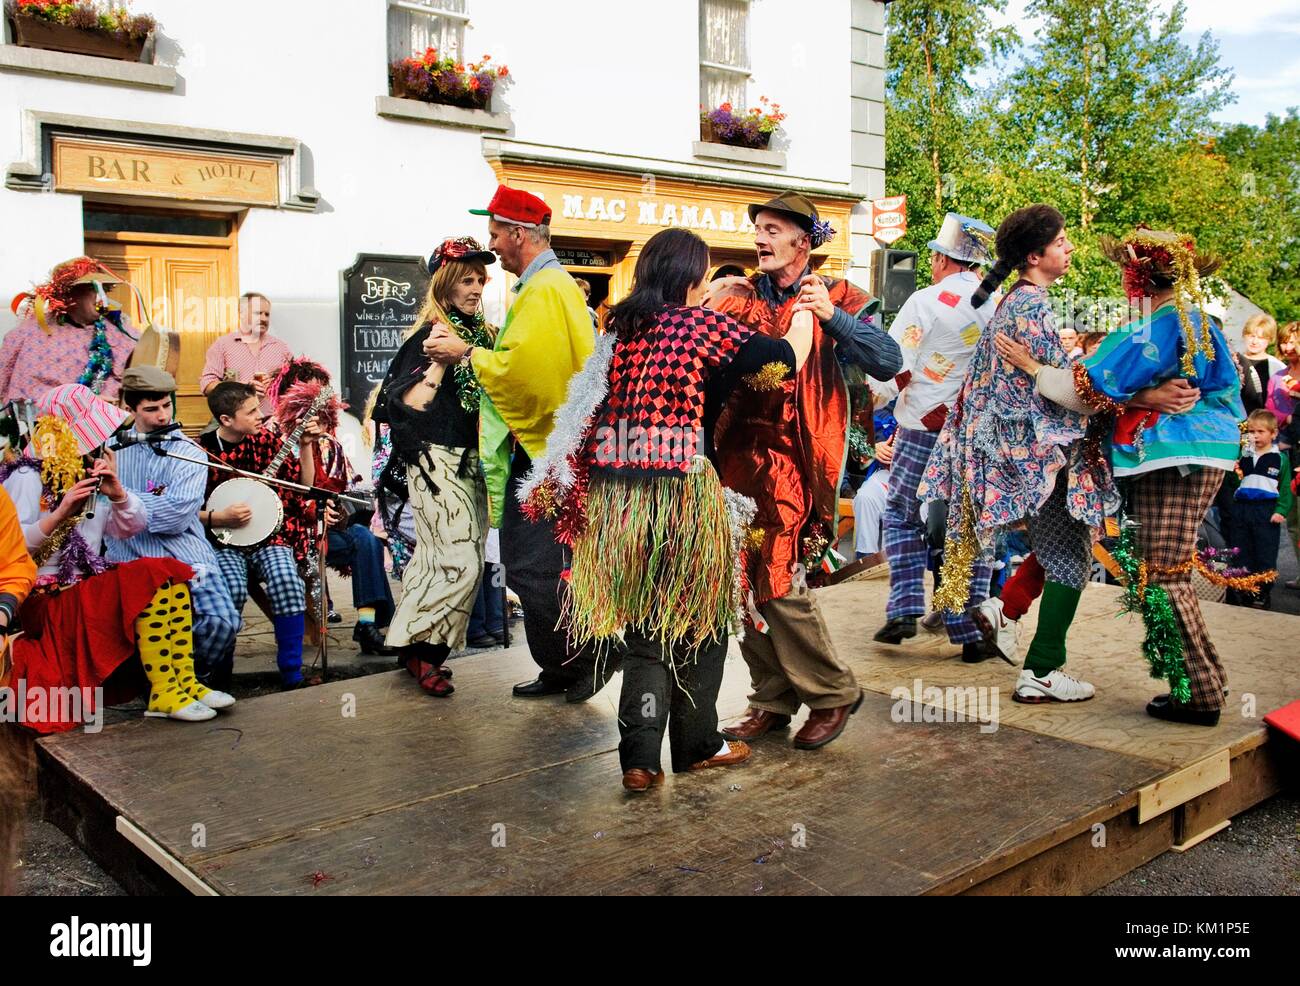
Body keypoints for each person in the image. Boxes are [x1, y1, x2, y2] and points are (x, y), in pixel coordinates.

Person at [520, 227, 818, 790]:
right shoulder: (703, 327)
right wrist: (805, 311)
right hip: (680, 494)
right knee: (698, 622)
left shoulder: (624, 328)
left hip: (617, 501)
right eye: (703, 272)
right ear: (690, 277)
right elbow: (782, 361)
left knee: (643, 628)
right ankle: (698, 745)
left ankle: (639, 760)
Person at [996, 226, 1244, 725]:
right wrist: (1142, 396)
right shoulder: (1194, 321)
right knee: (1165, 570)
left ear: (1138, 277)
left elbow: (1080, 391)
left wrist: (1031, 366)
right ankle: (1203, 682)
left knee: (1164, 574)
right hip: (1203, 454)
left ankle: (1197, 695)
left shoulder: (1153, 329)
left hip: (1172, 459)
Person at [705, 190, 902, 750]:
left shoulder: (840, 294)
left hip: (797, 459)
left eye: (772, 229)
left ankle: (833, 691)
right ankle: (771, 698)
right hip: (734, 457)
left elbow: (889, 361)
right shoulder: (737, 294)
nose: (760, 238)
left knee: (776, 574)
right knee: (737, 580)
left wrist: (833, 318)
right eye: (758, 229)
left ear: (802, 238)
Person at [921, 204, 1113, 704]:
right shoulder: (1033, 310)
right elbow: (1074, 393)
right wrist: (1128, 393)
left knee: (1059, 551)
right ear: (1034, 255)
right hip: (1045, 460)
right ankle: (1043, 670)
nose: (1069, 248)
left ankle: (1002, 612)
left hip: (1027, 459)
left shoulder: (1014, 303)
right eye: (1062, 242)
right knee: (1070, 560)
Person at [424, 188, 605, 702]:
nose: (494, 244)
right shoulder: (545, 285)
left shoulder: (546, 288)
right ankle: (561, 666)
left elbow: (531, 375)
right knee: (538, 568)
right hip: (550, 453)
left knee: (535, 568)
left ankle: (583, 662)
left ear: (519, 233)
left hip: (546, 457)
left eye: (497, 234)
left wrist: (468, 352)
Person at [3, 384, 233, 729]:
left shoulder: (88, 473)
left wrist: (119, 494)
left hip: (83, 588)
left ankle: (181, 682)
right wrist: (61, 511)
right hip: (43, 598)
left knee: (169, 572)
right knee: (152, 574)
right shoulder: (26, 475)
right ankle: (164, 690)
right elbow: (14, 551)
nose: (101, 444)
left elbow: (129, 527)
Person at [870, 212, 1004, 662]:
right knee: (974, 524)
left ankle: (906, 604)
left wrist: (876, 399)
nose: (930, 263)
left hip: (923, 426)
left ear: (946, 259)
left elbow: (895, 365)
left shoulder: (924, 301)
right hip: (978, 434)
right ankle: (971, 631)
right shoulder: (1001, 304)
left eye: (934, 255)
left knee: (904, 512)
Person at [370, 236, 498, 695]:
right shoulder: (430, 336)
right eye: (467, 278)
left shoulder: (481, 336)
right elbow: (406, 405)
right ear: (445, 284)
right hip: (434, 459)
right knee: (458, 562)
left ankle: (417, 651)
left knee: (445, 561)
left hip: (472, 459)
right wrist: (440, 364)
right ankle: (421, 652)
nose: (477, 287)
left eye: (481, 278)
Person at [107, 366, 242, 688]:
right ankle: (160, 686)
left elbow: (179, 516)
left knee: (221, 621)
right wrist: (131, 501)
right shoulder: (110, 449)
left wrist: (123, 497)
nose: (163, 416)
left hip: (185, 553)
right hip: (128, 555)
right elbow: (100, 511)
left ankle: (194, 679)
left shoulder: (188, 452)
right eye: (151, 409)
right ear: (130, 408)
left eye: (167, 405)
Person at [267, 358, 395, 656]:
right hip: (285, 535)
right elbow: (271, 494)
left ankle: (367, 624)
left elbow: (345, 488)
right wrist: (311, 510)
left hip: (326, 530)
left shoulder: (330, 443)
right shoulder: (269, 438)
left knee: (365, 539)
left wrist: (344, 509)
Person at [198, 381, 321, 689]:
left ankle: (292, 672)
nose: (261, 416)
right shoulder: (201, 450)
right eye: (251, 411)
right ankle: (220, 673)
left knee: (287, 582)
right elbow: (185, 509)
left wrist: (305, 445)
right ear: (226, 420)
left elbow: (303, 486)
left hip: (270, 536)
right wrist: (219, 517)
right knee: (231, 590)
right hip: (223, 539)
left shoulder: (266, 440)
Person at [1, 257, 137, 403]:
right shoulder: (31, 333)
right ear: (70, 294)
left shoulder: (120, 332)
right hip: (51, 422)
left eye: (104, 290)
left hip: (116, 420)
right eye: (93, 289)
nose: (101, 297)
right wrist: (82, 403)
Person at [1227, 409, 1292, 608]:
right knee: (1241, 550)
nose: (1255, 435)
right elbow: (1232, 478)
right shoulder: (1244, 454)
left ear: (1273, 433)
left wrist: (1281, 510)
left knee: (1265, 552)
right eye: (1252, 431)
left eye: (1261, 431)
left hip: (1266, 510)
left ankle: (1262, 591)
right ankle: (1242, 589)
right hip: (1242, 508)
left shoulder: (1279, 458)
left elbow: (1286, 488)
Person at [199, 292, 293, 419]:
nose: (264, 318)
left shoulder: (281, 348)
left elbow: (295, 386)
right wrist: (243, 387)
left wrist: (276, 384)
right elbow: (207, 385)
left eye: (267, 314)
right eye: (258, 313)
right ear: (241, 314)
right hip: (236, 425)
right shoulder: (222, 345)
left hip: (273, 423)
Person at [1236, 313, 1284, 415]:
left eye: (1261, 338)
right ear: (1244, 335)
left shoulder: (1277, 367)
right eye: (1251, 336)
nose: (1254, 341)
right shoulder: (1234, 360)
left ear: (1269, 340)